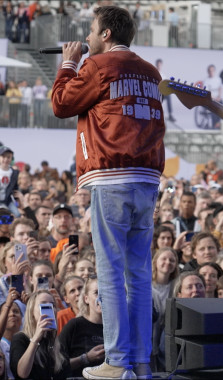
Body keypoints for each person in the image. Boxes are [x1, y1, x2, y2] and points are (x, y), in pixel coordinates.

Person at [52, 6, 165, 378]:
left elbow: (61, 104)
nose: (85, 38)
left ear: (105, 35)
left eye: (90, 31)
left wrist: (69, 63)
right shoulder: (150, 71)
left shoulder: (98, 66)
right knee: (139, 275)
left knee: (111, 275)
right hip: (146, 180)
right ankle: (143, 362)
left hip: (111, 177)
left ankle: (116, 362)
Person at [10, 290, 71, 379]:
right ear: (32, 312)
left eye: (52, 305)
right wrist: (36, 339)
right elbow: (22, 373)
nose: (49, 309)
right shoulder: (20, 338)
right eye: (43, 305)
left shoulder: (56, 343)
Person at [59, 276, 105, 378]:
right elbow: (57, 366)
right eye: (96, 293)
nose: (102, 297)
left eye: (105, 292)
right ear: (86, 299)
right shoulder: (74, 325)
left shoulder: (117, 327)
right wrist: (86, 358)